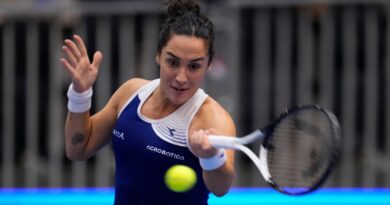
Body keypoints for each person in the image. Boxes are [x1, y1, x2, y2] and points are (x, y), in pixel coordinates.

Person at [60, 0, 236, 204]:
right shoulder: (131, 92)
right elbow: (77, 149)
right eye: (173, 62)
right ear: (158, 55)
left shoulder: (213, 119)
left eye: (194, 67)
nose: (181, 77)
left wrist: (210, 156)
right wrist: (80, 94)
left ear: (209, 66)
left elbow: (221, 189)